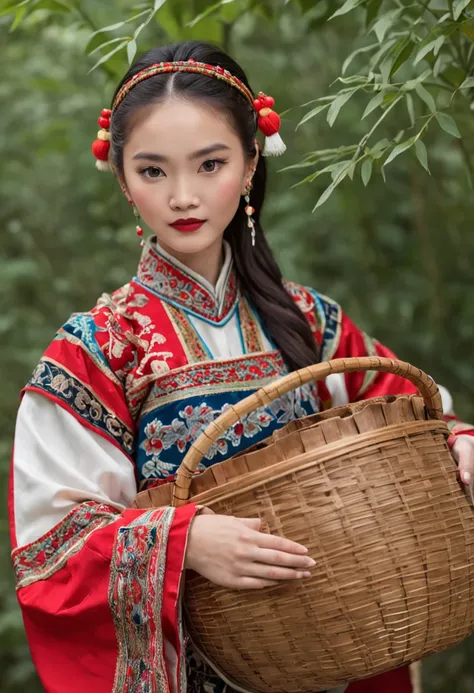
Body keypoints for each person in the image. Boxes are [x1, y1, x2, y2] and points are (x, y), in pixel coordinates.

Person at [9, 40, 474, 693]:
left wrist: (456, 439)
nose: (182, 196)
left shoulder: (308, 322)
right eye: (152, 171)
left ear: (252, 163)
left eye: (210, 164)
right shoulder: (100, 348)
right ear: (120, 177)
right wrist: (183, 542)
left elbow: (414, 412)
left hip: (330, 649)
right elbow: (52, 544)